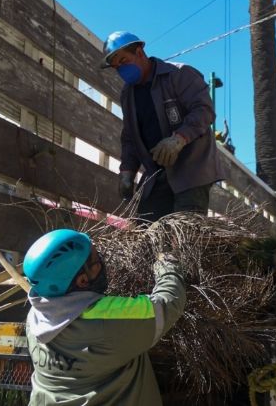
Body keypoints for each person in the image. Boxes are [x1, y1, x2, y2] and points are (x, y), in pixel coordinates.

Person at [23, 229, 185, 405]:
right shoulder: (107, 321)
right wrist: (167, 264)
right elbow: (169, 303)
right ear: (83, 281)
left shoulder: (34, 318)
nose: (101, 261)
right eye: (96, 261)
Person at [103, 31, 224, 222]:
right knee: (146, 230)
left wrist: (178, 139)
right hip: (157, 173)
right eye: (117, 67)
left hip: (191, 171)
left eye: (124, 61)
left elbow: (204, 110)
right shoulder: (128, 94)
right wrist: (127, 172)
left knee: (184, 232)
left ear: (139, 52)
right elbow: (130, 137)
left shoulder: (179, 74)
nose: (121, 69)